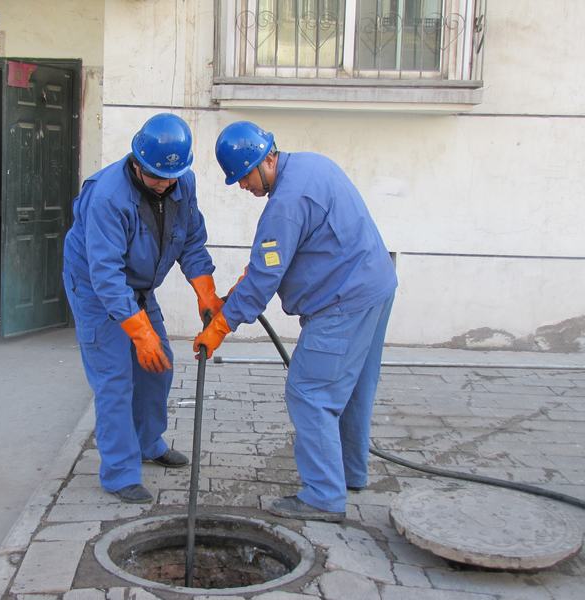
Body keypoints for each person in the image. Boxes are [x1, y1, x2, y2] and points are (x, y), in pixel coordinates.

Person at [194, 121, 397, 522]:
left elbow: (266, 276)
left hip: (343, 302)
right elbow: (275, 259)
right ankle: (350, 473)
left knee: (310, 392)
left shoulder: (285, 204)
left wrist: (219, 327)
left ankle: (323, 496)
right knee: (353, 388)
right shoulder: (312, 165)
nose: (243, 186)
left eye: (245, 176)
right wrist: (234, 296)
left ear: (267, 159)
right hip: (375, 287)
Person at [63, 113, 223, 503]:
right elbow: (105, 275)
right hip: (96, 290)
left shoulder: (182, 181)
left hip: (139, 286)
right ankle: (120, 473)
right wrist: (138, 333)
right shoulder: (108, 197)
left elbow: (191, 240)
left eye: (171, 177)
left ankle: (148, 442)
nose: (165, 184)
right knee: (115, 380)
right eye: (156, 176)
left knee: (158, 366)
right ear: (137, 161)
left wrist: (205, 291)